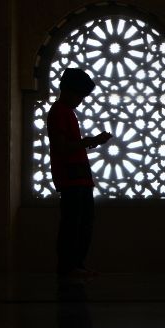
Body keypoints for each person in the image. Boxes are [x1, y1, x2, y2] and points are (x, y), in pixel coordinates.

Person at [47, 68, 113, 280]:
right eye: (79, 95)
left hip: (79, 177)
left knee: (82, 223)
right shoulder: (59, 112)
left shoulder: (67, 112)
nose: (80, 101)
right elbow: (62, 147)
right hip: (71, 178)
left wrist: (91, 142)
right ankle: (69, 267)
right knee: (73, 224)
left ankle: (76, 266)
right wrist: (92, 141)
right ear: (67, 90)